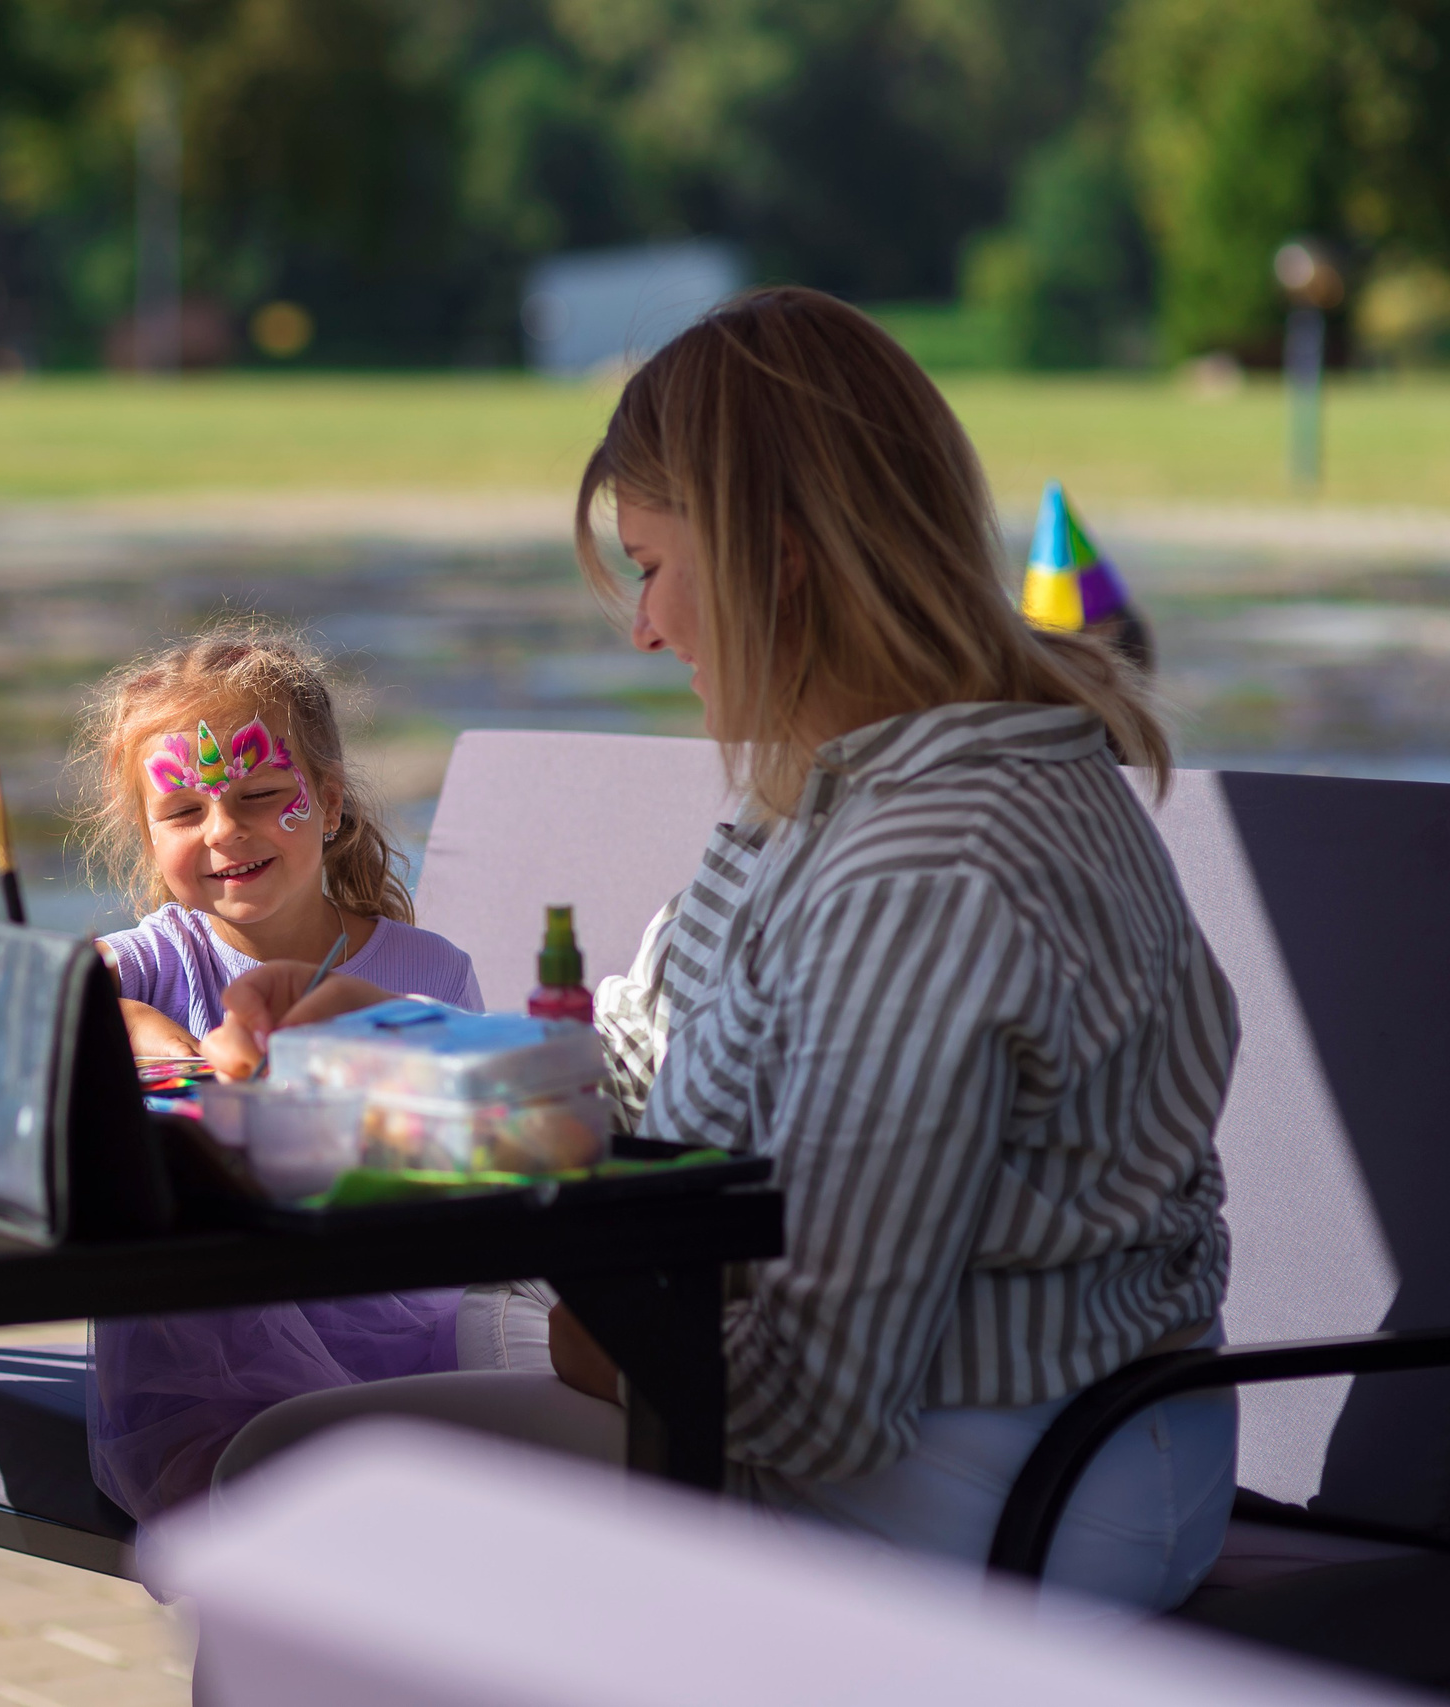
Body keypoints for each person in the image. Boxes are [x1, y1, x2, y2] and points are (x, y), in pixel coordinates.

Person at [200, 288, 1241, 1611]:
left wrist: (586, 1326)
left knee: (298, 1492)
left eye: (650, 564)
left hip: (1000, 1477)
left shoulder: (927, 861)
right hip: (938, 1418)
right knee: (316, 1446)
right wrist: (398, 1043)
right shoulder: (826, 791)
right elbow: (641, 1065)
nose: (642, 627)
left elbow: (813, 1400)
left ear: (776, 556)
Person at [75, 623, 483, 1520]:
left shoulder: (432, 968)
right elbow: (55, 994)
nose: (225, 831)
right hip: (207, 1361)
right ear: (148, 836)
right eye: (183, 814)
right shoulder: (160, 958)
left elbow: (471, 1146)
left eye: (262, 795)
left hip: (400, 1319)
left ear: (329, 805)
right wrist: (146, 1028)